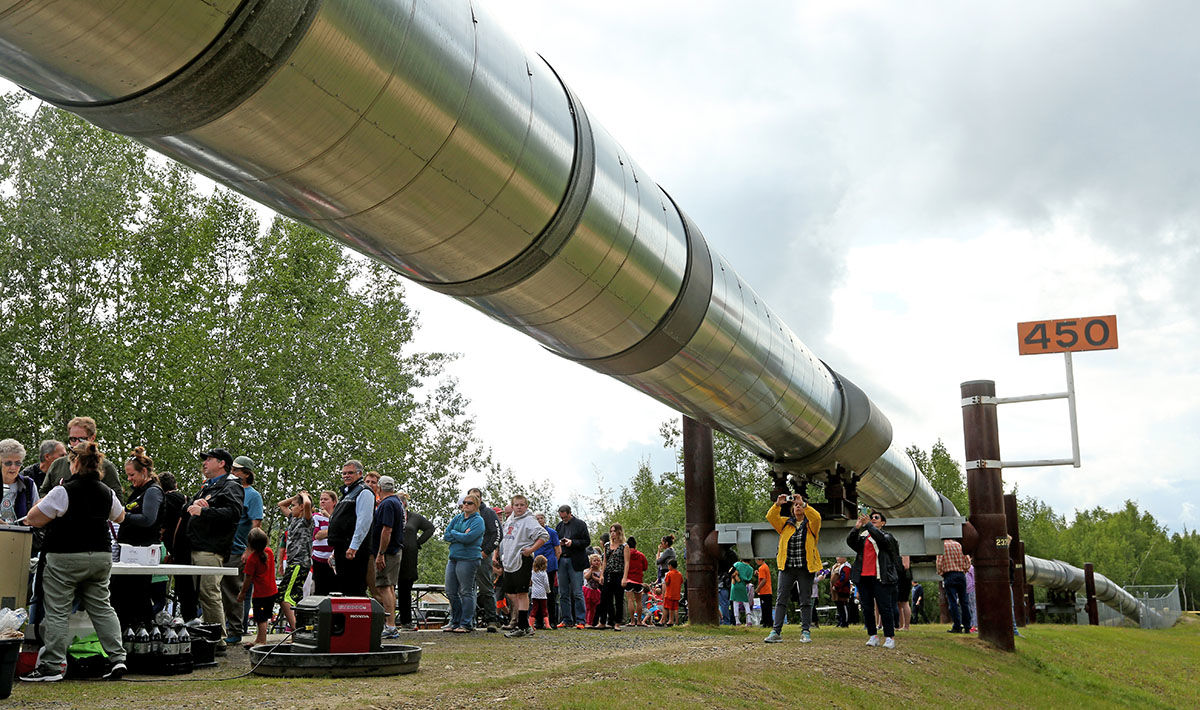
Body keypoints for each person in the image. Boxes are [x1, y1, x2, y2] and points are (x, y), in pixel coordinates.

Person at [20, 442, 127, 682]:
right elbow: (120, 516)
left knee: (58, 610)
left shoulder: (63, 491)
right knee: (102, 608)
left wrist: (35, 510)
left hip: (65, 556)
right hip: (100, 555)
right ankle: (117, 658)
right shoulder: (105, 491)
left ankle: (52, 666)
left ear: (75, 463)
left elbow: (34, 519)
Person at [180, 447, 244, 654]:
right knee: (202, 593)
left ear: (222, 463)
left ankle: (218, 639)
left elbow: (233, 513)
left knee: (209, 592)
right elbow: (186, 510)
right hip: (196, 545)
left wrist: (205, 510)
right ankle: (209, 636)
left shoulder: (231, 485)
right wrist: (194, 503)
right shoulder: (208, 485)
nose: (204, 463)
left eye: (209, 459)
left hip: (211, 548)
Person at [111, 447, 163, 629]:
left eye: (132, 475)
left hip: (142, 553)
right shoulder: (139, 491)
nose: (129, 479)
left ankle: (142, 630)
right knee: (120, 594)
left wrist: (123, 517)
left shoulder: (153, 491)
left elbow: (148, 519)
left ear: (145, 472)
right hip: (129, 552)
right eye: (127, 475)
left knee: (138, 595)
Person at [763, 491, 822, 644]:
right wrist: (777, 505)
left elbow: (817, 517)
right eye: (795, 505)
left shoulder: (811, 525)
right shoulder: (785, 524)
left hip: (805, 567)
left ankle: (805, 632)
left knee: (805, 600)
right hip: (787, 567)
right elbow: (770, 517)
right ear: (791, 510)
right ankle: (776, 631)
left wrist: (804, 503)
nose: (798, 507)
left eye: (800, 505)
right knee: (781, 599)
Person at [221, 455, 263, 644]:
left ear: (246, 474)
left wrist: (249, 550)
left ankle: (236, 630)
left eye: (236, 470)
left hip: (239, 550)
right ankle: (220, 628)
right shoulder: (227, 489)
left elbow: (256, 525)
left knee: (235, 590)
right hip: (222, 548)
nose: (233, 472)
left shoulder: (253, 495)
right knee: (218, 591)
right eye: (232, 469)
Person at [846, 511, 900, 649]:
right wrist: (857, 528)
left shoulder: (887, 536)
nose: (873, 519)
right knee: (867, 608)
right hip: (864, 577)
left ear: (883, 523)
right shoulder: (864, 537)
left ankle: (889, 637)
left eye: (877, 518)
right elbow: (850, 542)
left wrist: (869, 525)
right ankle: (873, 635)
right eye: (872, 518)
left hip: (881, 577)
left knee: (885, 607)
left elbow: (881, 540)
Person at [496, 495, 547, 638]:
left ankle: (523, 626)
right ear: (512, 506)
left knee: (522, 593)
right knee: (511, 594)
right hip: (509, 561)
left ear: (526, 506)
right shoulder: (510, 520)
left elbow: (543, 535)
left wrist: (530, 550)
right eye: (516, 505)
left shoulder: (529, 520)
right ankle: (521, 622)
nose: (519, 507)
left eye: (522, 505)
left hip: (522, 560)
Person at [39, 416, 124, 501]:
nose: (76, 443)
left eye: (82, 439)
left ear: (92, 438)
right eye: (73, 439)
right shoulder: (58, 464)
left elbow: (117, 498)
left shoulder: (105, 466)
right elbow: (43, 492)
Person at [328, 460, 374, 596]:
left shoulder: (364, 491)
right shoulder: (348, 493)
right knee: (343, 589)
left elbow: (364, 522)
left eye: (350, 473)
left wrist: (354, 546)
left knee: (354, 589)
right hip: (342, 547)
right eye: (344, 473)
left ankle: (357, 616)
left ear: (360, 474)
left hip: (354, 550)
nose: (346, 476)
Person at [370, 476, 406, 638]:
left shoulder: (387, 504)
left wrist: (380, 554)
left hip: (388, 552)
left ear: (379, 487)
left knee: (385, 587)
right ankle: (390, 624)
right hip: (395, 549)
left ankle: (390, 625)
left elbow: (387, 530)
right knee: (390, 588)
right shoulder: (397, 502)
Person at [443, 493, 484, 632]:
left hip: (469, 559)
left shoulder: (478, 521)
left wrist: (455, 534)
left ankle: (466, 623)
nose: (465, 505)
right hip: (453, 557)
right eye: (464, 503)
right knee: (450, 591)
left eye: (469, 503)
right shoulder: (458, 518)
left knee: (466, 591)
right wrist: (460, 534)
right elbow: (446, 535)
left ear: (476, 505)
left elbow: (469, 538)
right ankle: (455, 621)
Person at [275, 490, 313, 632]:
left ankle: (296, 630)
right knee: (288, 597)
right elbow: (281, 505)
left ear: (302, 507)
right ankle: (295, 631)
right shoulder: (293, 518)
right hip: (292, 563)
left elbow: (308, 503)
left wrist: (304, 496)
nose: (291, 508)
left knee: (285, 597)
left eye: (294, 505)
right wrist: (295, 497)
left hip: (300, 563)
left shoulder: (307, 521)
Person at [397, 494, 434, 630]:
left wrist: (417, 542)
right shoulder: (391, 515)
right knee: (386, 587)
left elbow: (430, 528)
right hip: (391, 555)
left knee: (405, 588)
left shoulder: (414, 517)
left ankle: (406, 621)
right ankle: (385, 621)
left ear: (406, 504)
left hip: (409, 558)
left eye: (402, 502)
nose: (400, 504)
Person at [237, 528, 277, 649]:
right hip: (272, 591)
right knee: (263, 616)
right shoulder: (269, 552)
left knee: (261, 619)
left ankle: (262, 642)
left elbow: (248, 579)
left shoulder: (252, 559)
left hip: (261, 594)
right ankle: (258, 639)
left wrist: (242, 593)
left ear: (250, 545)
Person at [469, 487, 501, 632]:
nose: (473, 500)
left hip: (482, 556)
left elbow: (497, 534)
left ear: (481, 498)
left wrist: (486, 552)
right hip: (467, 556)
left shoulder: (488, 513)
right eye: (471, 497)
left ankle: (491, 619)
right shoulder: (465, 513)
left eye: (476, 497)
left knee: (486, 587)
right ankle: (467, 619)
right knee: (466, 588)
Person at [554, 504, 590, 629]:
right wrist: (559, 543)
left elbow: (587, 541)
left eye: (565, 517)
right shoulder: (559, 526)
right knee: (563, 592)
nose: (563, 519)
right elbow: (555, 541)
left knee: (577, 592)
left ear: (570, 513)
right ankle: (566, 619)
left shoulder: (580, 524)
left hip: (575, 561)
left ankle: (580, 620)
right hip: (562, 560)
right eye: (561, 517)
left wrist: (572, 543)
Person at [595, 523, 630, 631]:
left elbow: (627, 563)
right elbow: (604, 561)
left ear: (619, 532)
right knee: (605, 598)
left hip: (619, 573)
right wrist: (601, 574)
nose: (612, 533)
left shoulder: (624, 546)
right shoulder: (607, 545)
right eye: (611, 531)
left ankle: (617, 622)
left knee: (618, 599)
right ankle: (602, 621)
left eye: (614, 531)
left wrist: (624, 577)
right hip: (608, 574)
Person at [936, 537, 972, 633]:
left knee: (952, 602)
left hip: (949, 575)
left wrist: (941, 573)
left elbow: (939, 563)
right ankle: (967, 626)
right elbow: (968, 560)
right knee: (964, 601)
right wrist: (964, 569)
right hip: (960, 575)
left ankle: (957, 625)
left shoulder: (942, 547)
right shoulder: (958, 545)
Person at [533, 512, 561, 628]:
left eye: (541, 518)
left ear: (544, 519)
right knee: (537, 594)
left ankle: (552, 620)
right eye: (537, 518)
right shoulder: (533, 533)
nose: (539, 520)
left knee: (550, 593)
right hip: (536, 566)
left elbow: (558, 550)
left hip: (549, 565)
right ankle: (539, 621)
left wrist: (553, 561)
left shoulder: (552, 533)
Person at [1, 438, 38, 524]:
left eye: (18, 463)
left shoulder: (29, 484)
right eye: (8, 463)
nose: (13, 467)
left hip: (21, 535)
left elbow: (37, 516)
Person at [311, 490, 337, 595]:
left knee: (334, 590)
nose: (322, 502)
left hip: (334, 559)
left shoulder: (338, 517)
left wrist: (330, 519)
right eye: (321, 499)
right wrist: (334, 530)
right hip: (318, 559)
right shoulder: (316, 516)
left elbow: (343, 531)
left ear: (334, 502)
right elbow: (317, 535)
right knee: (319, 590)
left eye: (326, 499)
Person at [624, 536, 650, 627]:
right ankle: (639, 621)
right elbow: (645, 567)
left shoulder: (626, 554)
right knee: (639, 601)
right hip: (638, 580)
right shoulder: (641, 555)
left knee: (630, 600)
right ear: (635, 545)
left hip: (628, 580)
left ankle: (632, 621)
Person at [730, 559, 756, 626]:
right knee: (746, 602)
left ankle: (737, 621)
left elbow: (730, 571)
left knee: (735, 602)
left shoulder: (737, 564)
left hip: (734, 585)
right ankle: (749, 620)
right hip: (743, 586)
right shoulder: (750, 569)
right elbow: (748, 579)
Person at [530, 554, 551, 630]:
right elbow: (546, 583)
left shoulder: (533, 572)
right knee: (544, 609)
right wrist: (548, 591)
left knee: (534, 609)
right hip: (542, 593)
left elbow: (531, 581)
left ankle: (531, 624)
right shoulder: (544, 573)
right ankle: (547, 624)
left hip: (534, 593)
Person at [831, 557, 853, 628]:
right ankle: (840, 621)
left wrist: (836, 586)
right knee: (839, 606)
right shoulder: (836, 566)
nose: (837, 558)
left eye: (839, 557)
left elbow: (844, 578)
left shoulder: (846, 567)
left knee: (843, 606)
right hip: (836, 591)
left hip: (843, 589)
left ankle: (844, 622)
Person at [583, 553, 603, 627]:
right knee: (587, 606)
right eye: (594, 560)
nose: (596, 562)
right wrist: (591, 569)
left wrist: (595, 578)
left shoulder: (601, 572)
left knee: (593, 608)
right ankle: (585, 622)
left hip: (595, 591)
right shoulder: (587, 570)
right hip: (587, 590)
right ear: (591, 562)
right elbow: (586, 577)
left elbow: (601, 581)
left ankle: (591, 622)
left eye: (598, 561)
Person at [662, 558, 683, 627]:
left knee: (668, 608)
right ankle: (676, 621)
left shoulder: (669, 574)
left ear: (670, 566)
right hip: (676, 594)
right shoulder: (679, 574)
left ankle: (668, 621)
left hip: (669, 593)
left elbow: (667, 583)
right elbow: (681, 582)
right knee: (675, 608)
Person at [897, 555, 913, 631]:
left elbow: (906, 565)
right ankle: (900, 625)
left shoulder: (905, 550)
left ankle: (906, 626)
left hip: (903, 578)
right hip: (900, 577)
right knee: (898, 603)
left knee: (904, 602)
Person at [755, 559, 773, 628]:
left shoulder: (761, 568)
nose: (756, 562)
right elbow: (764, 577)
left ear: (760, 560)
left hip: (764, 591)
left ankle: (765, 623)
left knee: (764, 608)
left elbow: (763, 580)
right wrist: (759, 574)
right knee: (768, 608)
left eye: (756, 560)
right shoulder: (765, 566)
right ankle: (770, 623)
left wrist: (757, 589)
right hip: (768, 591)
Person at [966, 562, 978, 633]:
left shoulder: (971, 568)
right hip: (967, 591)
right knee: (970, 608)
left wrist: (973, 587)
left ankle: (975, 626)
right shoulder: (965, 569)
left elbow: (974, 579)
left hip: (972, 590)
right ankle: (971, 625)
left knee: (974, 608)